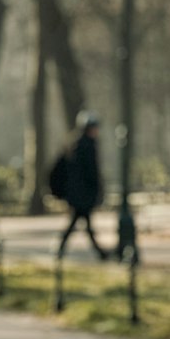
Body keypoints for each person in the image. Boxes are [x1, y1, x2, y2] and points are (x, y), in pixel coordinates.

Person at [57, 111, 108, 260]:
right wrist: (96, 190)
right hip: (83, 194)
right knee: (81, 223)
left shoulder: (76, 145)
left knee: (80, 223)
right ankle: (100, 253)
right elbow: (90, 172)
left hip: (78, 194)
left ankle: (99, 252)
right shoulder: (87, 146)